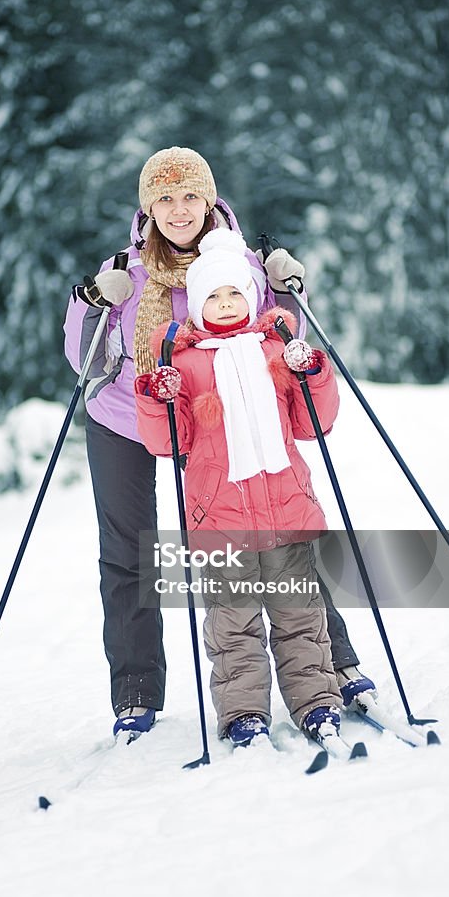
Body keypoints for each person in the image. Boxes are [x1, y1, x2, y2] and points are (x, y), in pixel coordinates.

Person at [63, 146, 374, 739]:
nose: (178, 210)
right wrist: (91, 303)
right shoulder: (123, 270)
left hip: (211, 416)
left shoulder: (243, 263)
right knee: (129, 548)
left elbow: (277, 345)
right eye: (164, 198)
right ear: (147, 206)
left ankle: (336, 661)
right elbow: (84, 361)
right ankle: (136, 691)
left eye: (189, 196)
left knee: (282, 527)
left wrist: (285, 289)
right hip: (126, 414)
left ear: (209, 199)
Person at [134, 228, 346, 744]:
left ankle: (316, 703)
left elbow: (314, 424)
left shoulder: (277, 351)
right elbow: (167, 442)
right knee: (233, 629)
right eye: (213, 296)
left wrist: (310, 372)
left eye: (235, 294)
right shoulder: (182, 363)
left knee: (300, 617)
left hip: (286, 511)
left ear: (252, 297)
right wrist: (156, 397)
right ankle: (244, 713)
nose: (225, 304)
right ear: (198, 306)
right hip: (221, 519)